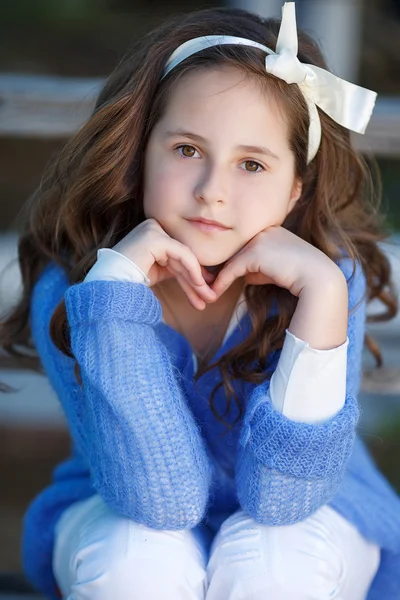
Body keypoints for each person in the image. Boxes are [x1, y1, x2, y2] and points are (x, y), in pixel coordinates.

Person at [1, 2, 400, 598]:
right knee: (136, 556)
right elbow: (159, 500)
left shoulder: (329, 278)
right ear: (140, 152)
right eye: (187, 150)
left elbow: (285, 501)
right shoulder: (80, 285)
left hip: (313, 512)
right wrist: (112, 299)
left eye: (252, 164)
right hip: (121, 502)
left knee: (274, 557)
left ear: (294, 189)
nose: (213, 191)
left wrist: (321, 297)